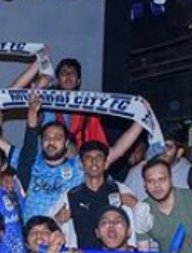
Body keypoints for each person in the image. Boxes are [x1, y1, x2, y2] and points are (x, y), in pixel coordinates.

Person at [17, 90, 143, 220]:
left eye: (57, 137)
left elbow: (117, 150)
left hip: (62, 236)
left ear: (66, 143)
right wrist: (32, 111)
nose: (52, 141)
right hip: (31, 235)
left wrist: (140, 120)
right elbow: (25, 140)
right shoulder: (31, 162)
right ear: (41, 141)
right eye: (47, 137)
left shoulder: (79, 166)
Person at [51, 140, 139, 250]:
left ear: (106, 164)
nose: (94, 162)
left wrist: (138, 206)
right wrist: (58, 220)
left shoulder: (120, 190)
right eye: (88, 158)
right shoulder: (70, 195)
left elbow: (142, 224)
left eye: (98, 157)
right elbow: (50, 225)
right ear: (81, 164)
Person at [134, 158, 192, 253]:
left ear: (171, 180)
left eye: (162, 179)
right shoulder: (143, 211)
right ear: (145, 185)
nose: (157, 185)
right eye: (151, 181)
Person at [125, 124, 192, 212]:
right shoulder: (136, 174)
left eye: (167, 147)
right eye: (157, 145)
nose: (161, 151)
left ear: (179, 152)